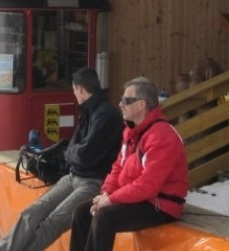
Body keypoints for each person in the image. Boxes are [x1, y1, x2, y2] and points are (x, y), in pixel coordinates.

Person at [0, 68, 124, 251]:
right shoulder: (89, 111)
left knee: (52, 222)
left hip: (93, 182)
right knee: (31, 213)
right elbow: (73, 148)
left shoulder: (106, 116)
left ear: (79, 89)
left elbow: (83, 155)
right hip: (73, 176)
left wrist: (71, 153)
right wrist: (72, 153)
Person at [68, 77, 187, 251]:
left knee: (104, 217)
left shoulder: (162, 136)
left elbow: (148, 186)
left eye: (126, 100)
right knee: (81, 213)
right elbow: (117, 168)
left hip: (160, 205)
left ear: (141, 104)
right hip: (140, 198)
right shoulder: (132, 132)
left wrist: (111, 199)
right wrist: (107, 192)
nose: (120, 104)